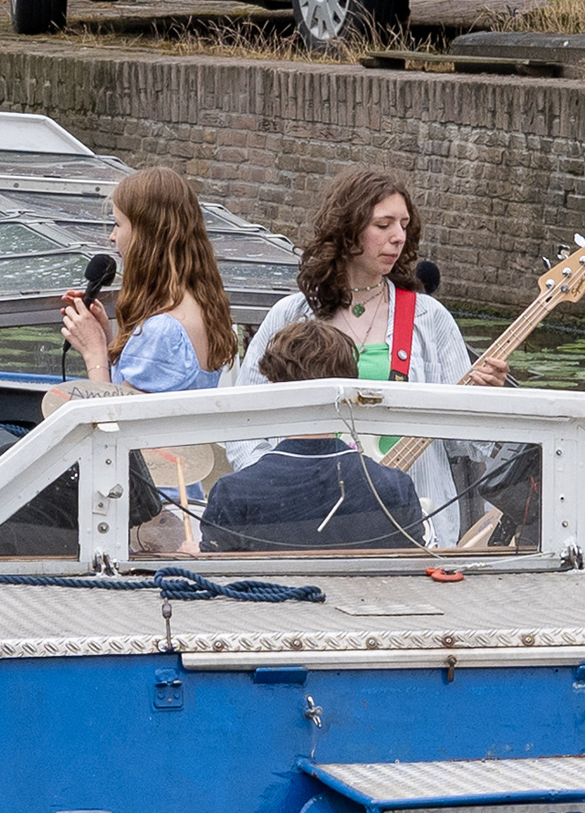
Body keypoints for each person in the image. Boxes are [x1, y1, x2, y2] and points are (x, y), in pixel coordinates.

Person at [234, 167, 509, 546]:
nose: (398, 237)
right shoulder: (290, 314)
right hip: (300, 524)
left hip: (415, 523)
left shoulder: (429, 319)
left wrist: (485, 398)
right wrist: (272, 489)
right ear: (347, 232)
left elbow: (466, 445)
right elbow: (242, 422)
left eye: (404, 224)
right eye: (383, 225)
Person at [201, 321, 425, 553]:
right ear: (347, 388)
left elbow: (218, 579)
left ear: (273, 389)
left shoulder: (234, 492)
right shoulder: (396, 489)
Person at [60, 167, 235, 394]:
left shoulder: (162, 330)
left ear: (146, 235)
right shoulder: (202, 304)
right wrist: (105, 339)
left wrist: (94, 353)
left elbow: (116, 422)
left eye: (118, 224)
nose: (112, 237)